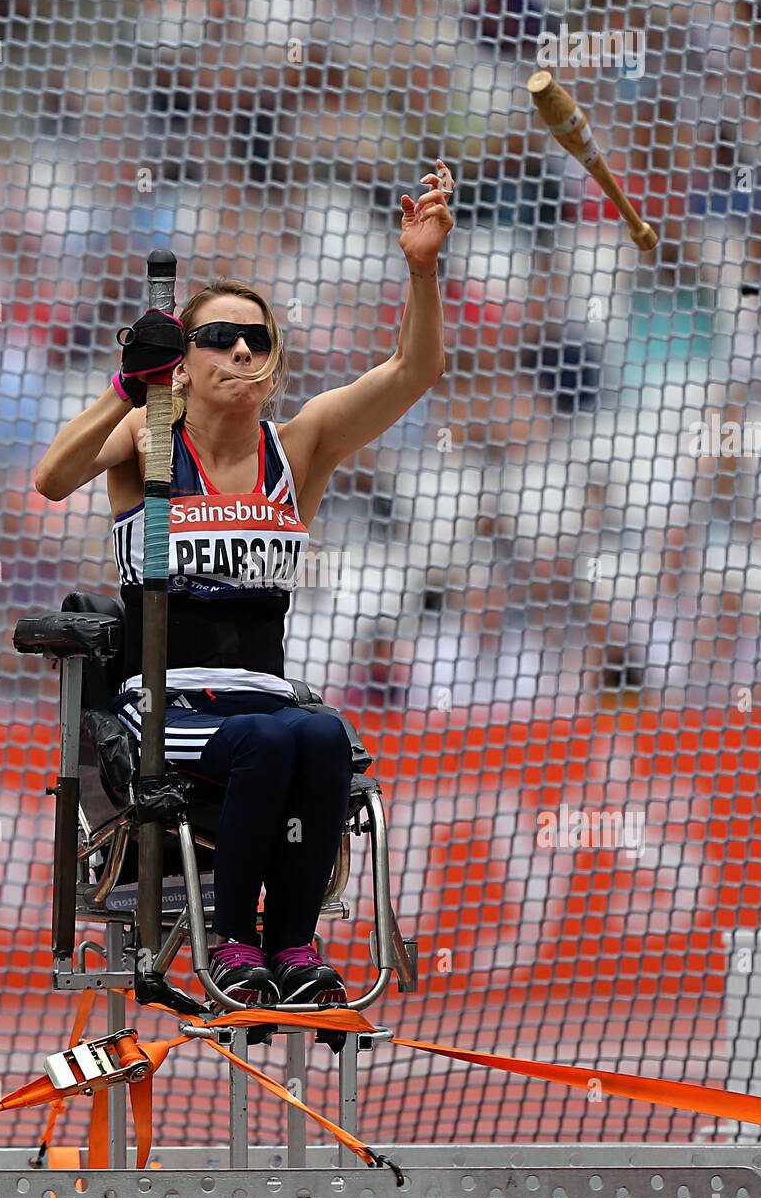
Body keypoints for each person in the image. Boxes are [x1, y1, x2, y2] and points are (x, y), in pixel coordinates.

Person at [35, 160, 454, 1007]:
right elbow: (52, 477)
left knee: (326, 738)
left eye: (255, 340)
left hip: (264, 696)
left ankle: (293, 950)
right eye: (220, 336)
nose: (239, 350)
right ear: (183, 361)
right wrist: (128, 383)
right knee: (275, 742)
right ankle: (231, 945)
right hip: (166, 709)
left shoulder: (298, 447)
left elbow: (412, 375)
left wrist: (420, 270)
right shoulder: (149, 439)